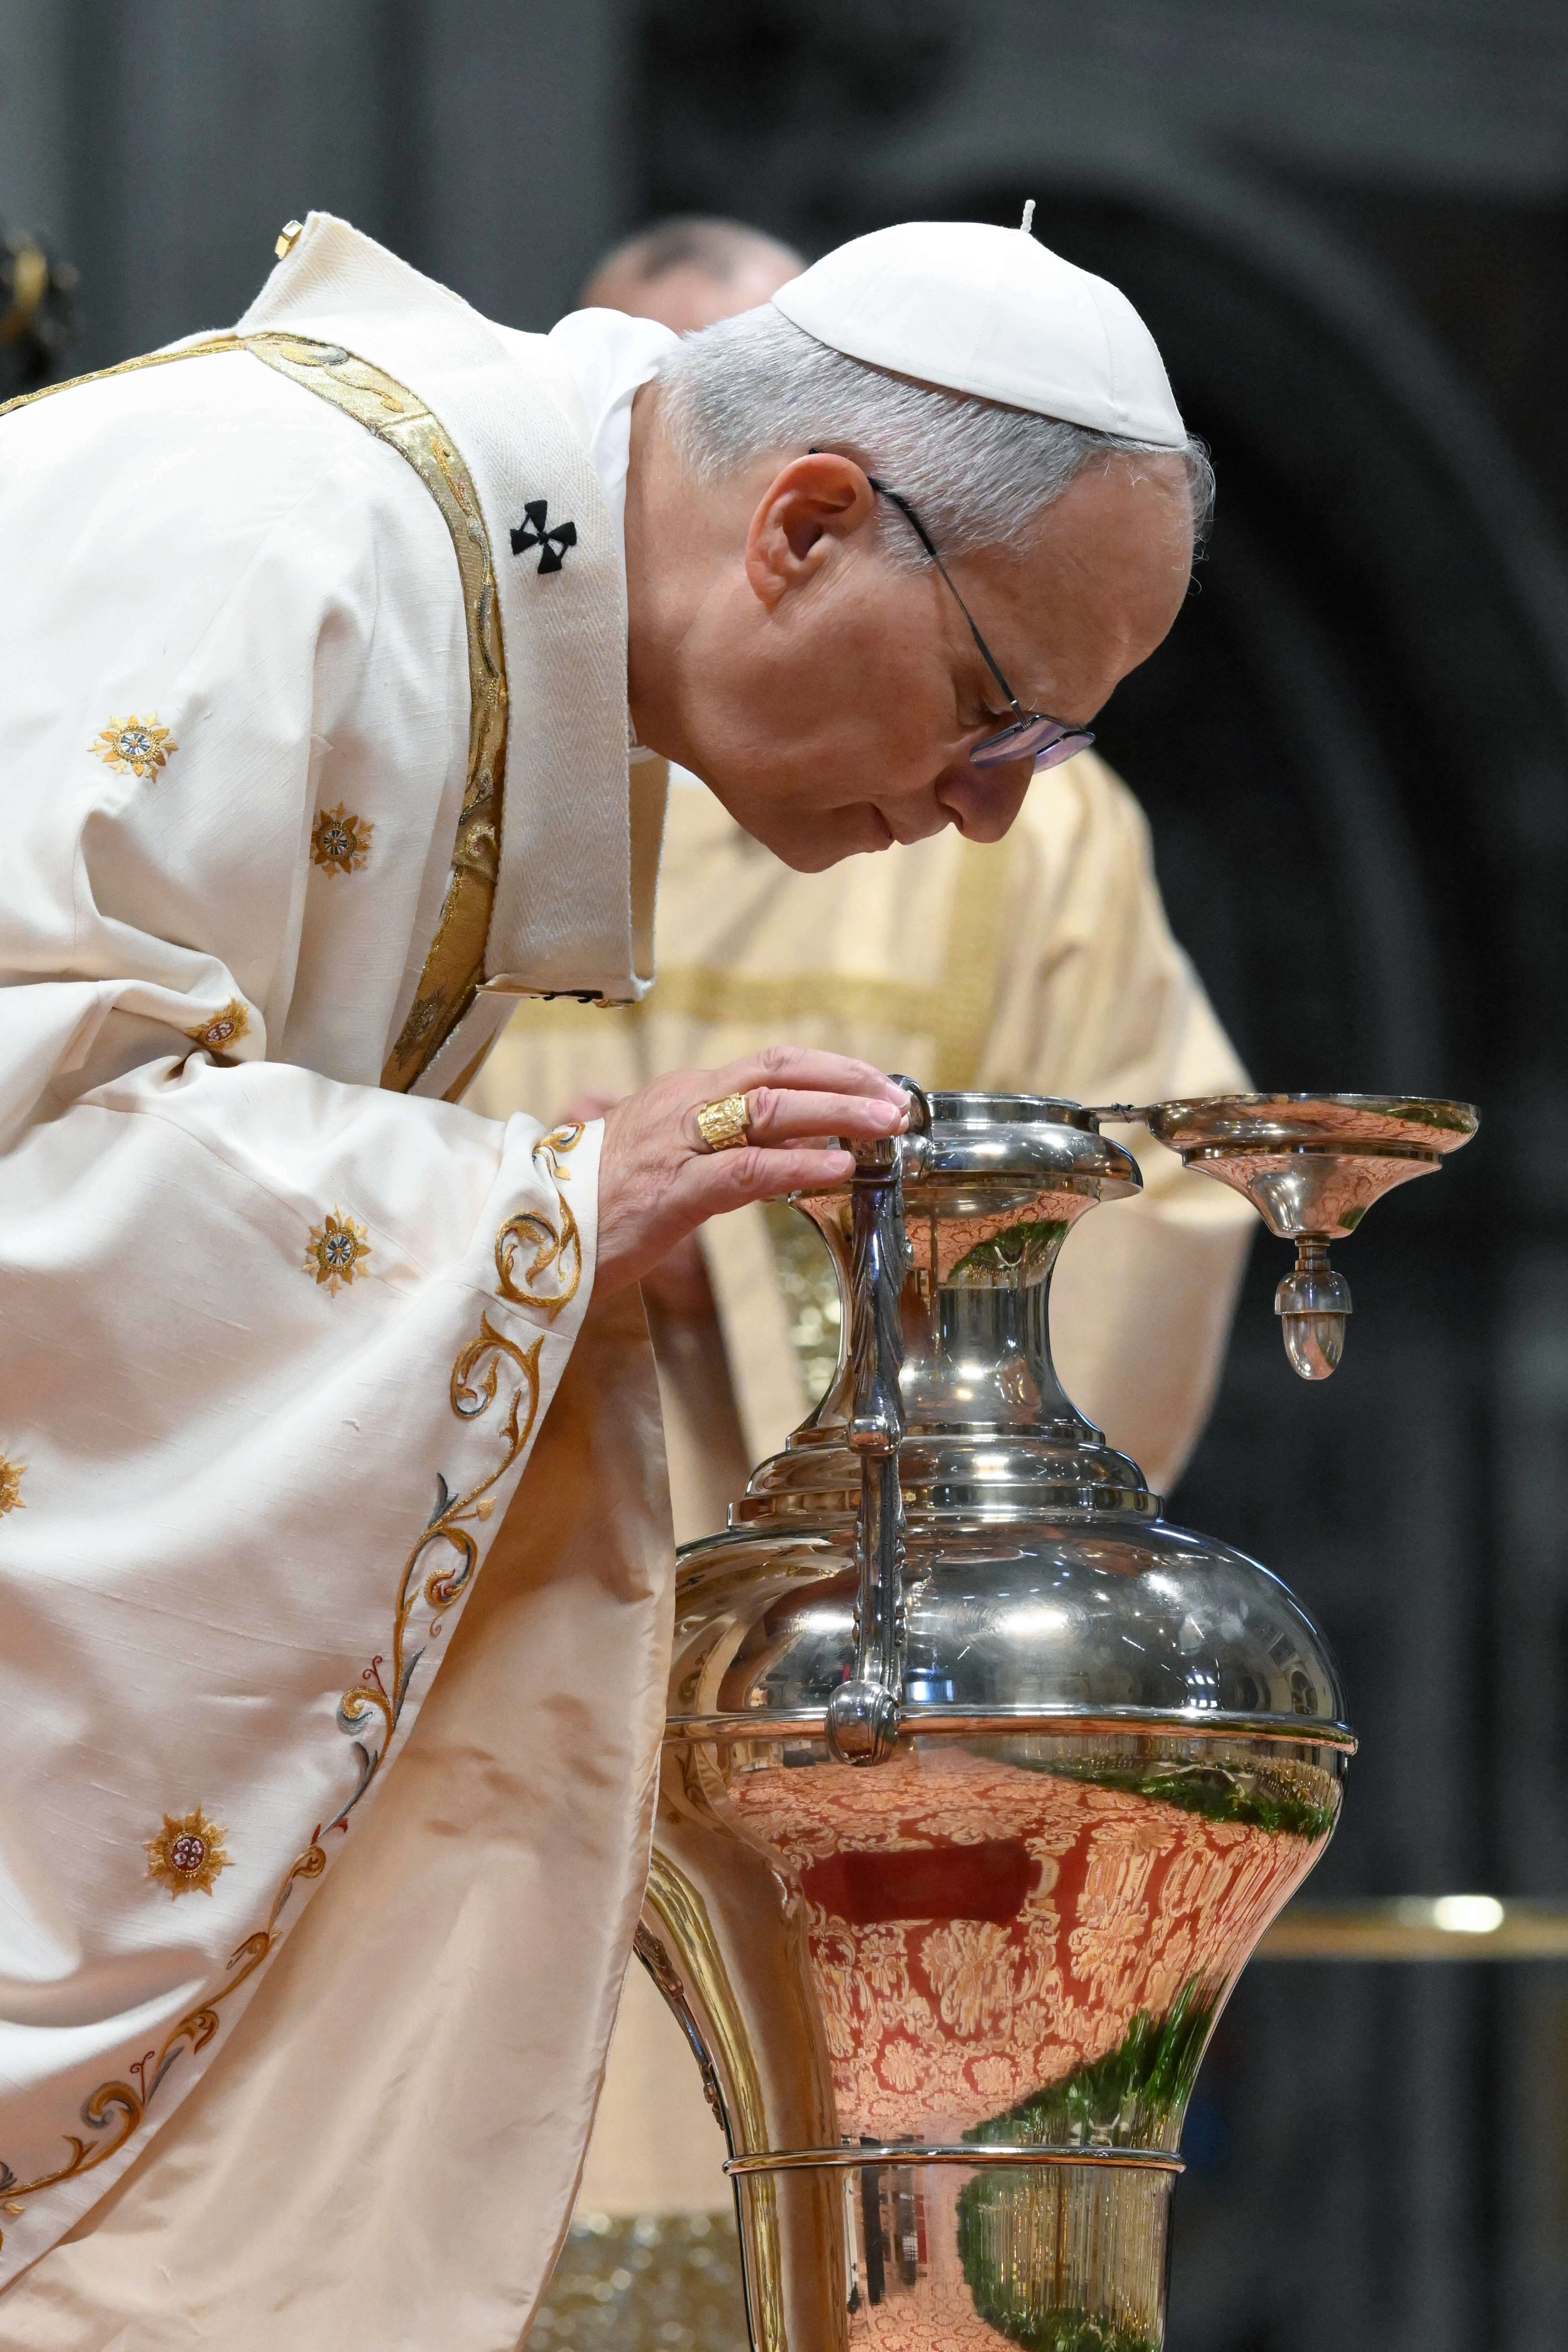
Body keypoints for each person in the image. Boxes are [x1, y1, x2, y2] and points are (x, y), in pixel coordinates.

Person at [0, 205, 1209, 2342]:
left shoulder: (445, 576)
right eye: (991, 714)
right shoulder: (278, 534)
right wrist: (532, 1212)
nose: (992, 818)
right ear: (806, 524)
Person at [482, 218, 1254, 2225]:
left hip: (827, 1731)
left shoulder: (1029, 825)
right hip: (446, 1664)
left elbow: (1159, 1199)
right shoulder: (443, 725)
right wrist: (524, 1225)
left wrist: (796, 1306)